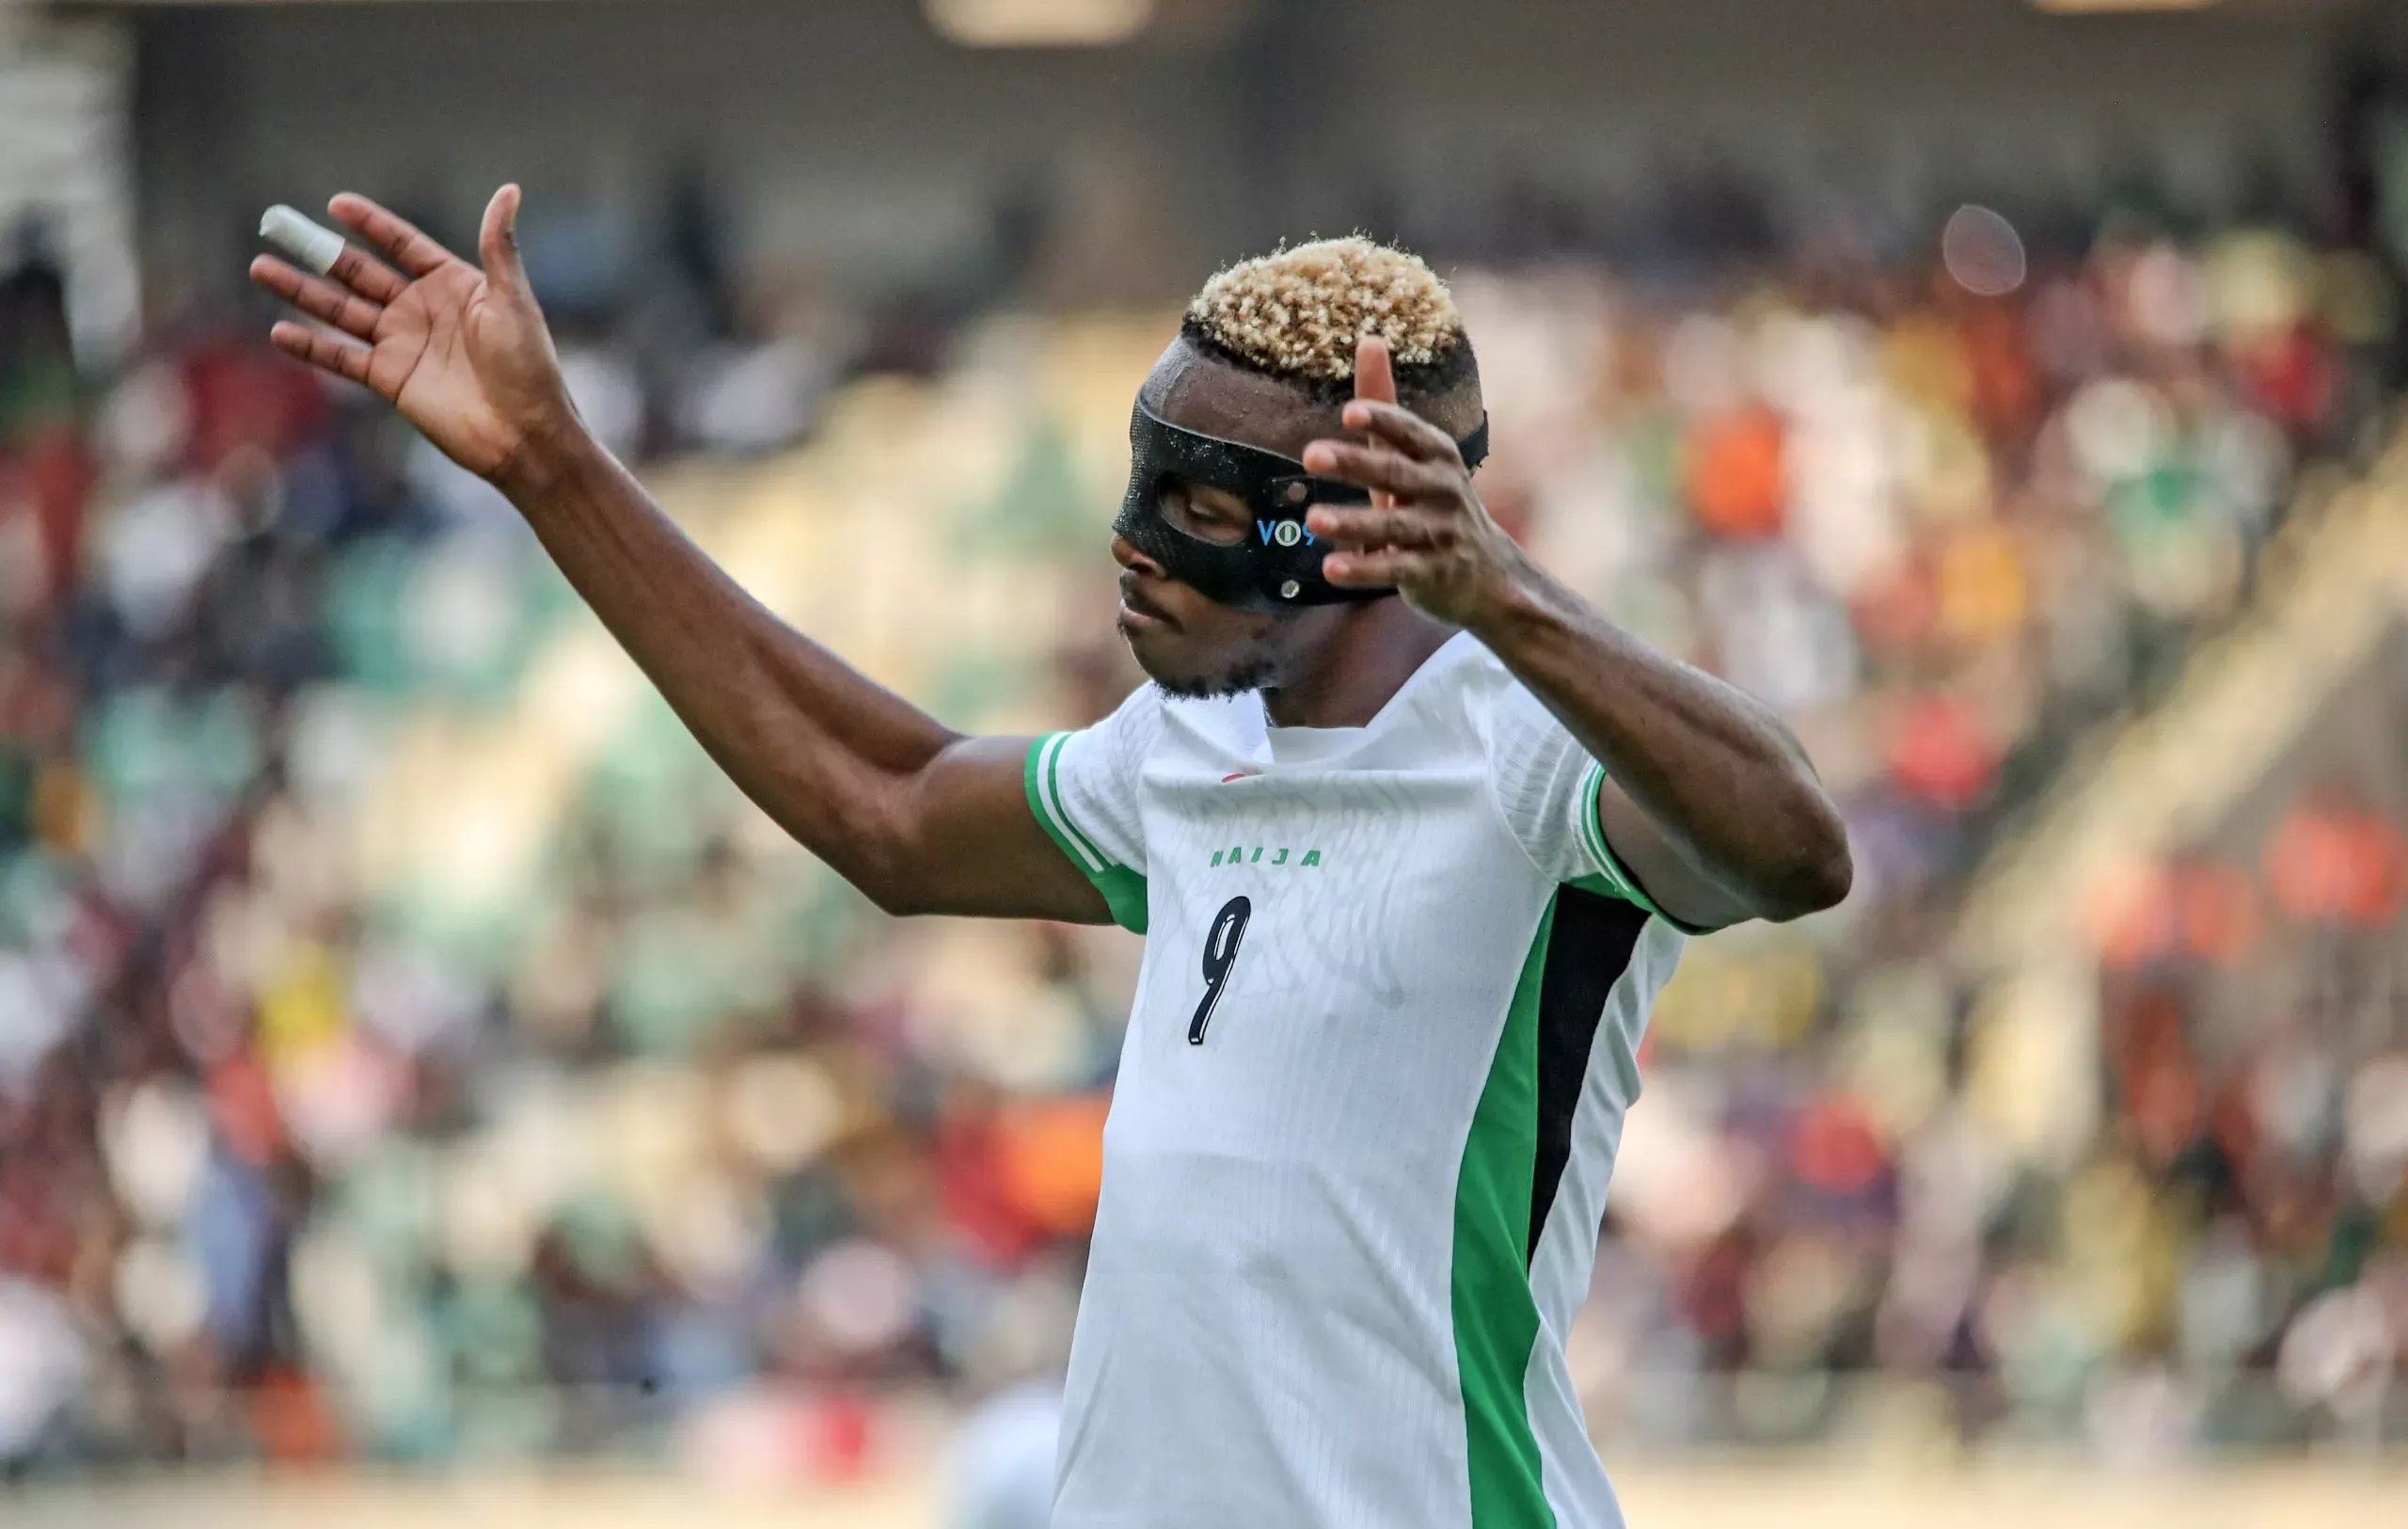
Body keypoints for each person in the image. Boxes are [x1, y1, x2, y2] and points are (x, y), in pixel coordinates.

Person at [250, 186, 1852, 1528]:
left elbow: (1796, 852)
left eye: (1203, 505)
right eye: (1146, 476)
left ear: (1354, 528)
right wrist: (550, 462)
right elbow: (884, 806)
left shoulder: (1530, 755)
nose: (1135, 544)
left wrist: (1499, 592)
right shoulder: (1189, 748)